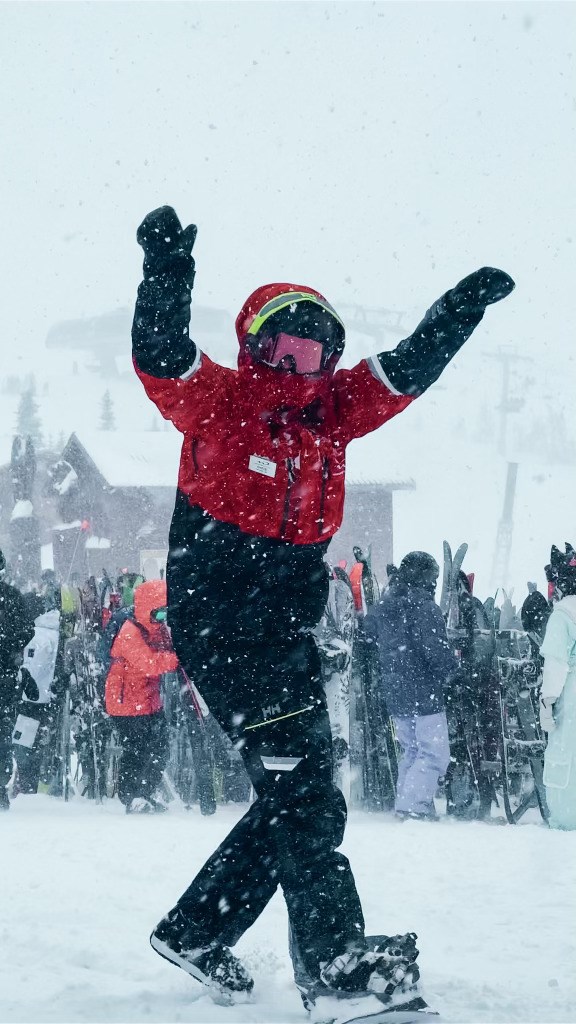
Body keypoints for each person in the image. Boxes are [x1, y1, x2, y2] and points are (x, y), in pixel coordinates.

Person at [131, 204, 514, 1014]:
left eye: (317, 353)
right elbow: (161, 358)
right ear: (255, 346)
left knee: (305, 797)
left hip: (286, 632)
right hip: (223, 624)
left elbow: (404, 368)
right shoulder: (220, 402)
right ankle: (335, 964)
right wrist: (166, 274)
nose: (303, 366)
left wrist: (458, 312)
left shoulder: (334, 414)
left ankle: (199, 929)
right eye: (287, 349)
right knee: (303, 797)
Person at [365, 552, 457, 820]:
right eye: (434, 577)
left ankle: (408, 803)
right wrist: (454, 674)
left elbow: (368, 634)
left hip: (395, 691)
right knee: (433, 753)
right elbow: (435, 650)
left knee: (412, 749)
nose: (435, 582)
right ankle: (414, 806)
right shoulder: (424, 607)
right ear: (425, 576)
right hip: (423, 690)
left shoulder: (384, 605)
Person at [104, 579, 178, 813]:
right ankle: (134, 796)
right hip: (127, 704)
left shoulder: (154, 629)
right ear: (147, 610)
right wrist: (179, 658)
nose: (162, 620)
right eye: (158, 614)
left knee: (157, 748)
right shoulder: (130, 633)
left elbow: (167, 649)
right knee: (140, 751)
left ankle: (140, 794)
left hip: (147, 701)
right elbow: (150, 664)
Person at [539, 545, 576, 830]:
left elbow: (555, 664)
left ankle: (567, 815)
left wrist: (547, 703)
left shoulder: (563, 614)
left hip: (571, 692)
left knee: (565, 750)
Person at [0, 551, 36, 809]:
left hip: (5, 674)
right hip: (5, 674)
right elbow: (26, 631)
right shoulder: (12, 597)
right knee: (3, 733)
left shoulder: (11, 598)